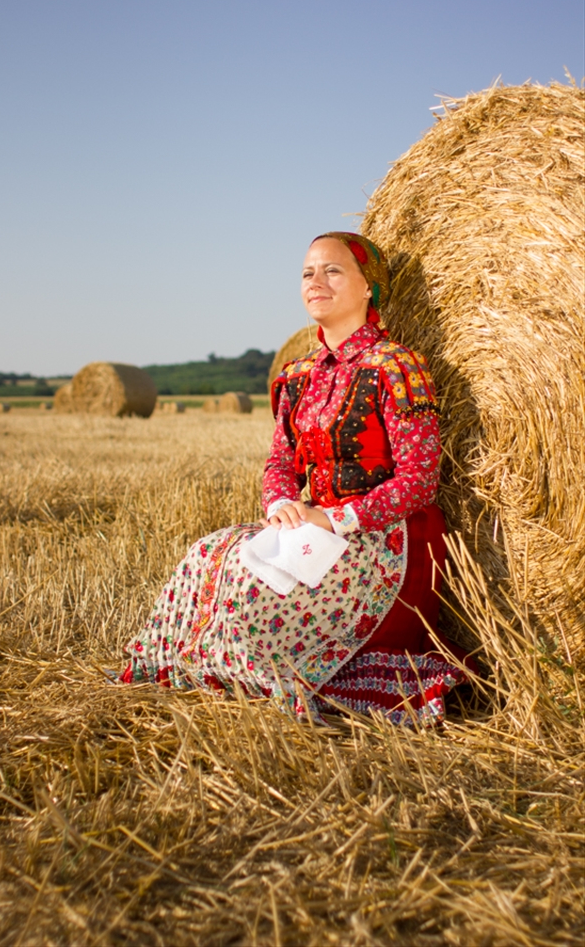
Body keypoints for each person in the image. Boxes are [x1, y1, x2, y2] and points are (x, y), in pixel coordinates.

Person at [120, 232, 471, 724]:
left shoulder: (396, 367)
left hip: (385, 537)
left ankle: (270, 676)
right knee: (210, 554)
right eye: (308, 273)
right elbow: (280, 463)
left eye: (332, 271)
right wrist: (281, 505)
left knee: (254, 597)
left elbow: (419, 480)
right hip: (311, 527)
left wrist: (336, 519)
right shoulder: (299, 374)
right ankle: (207, 670)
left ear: (368, 287)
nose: (315, 282)